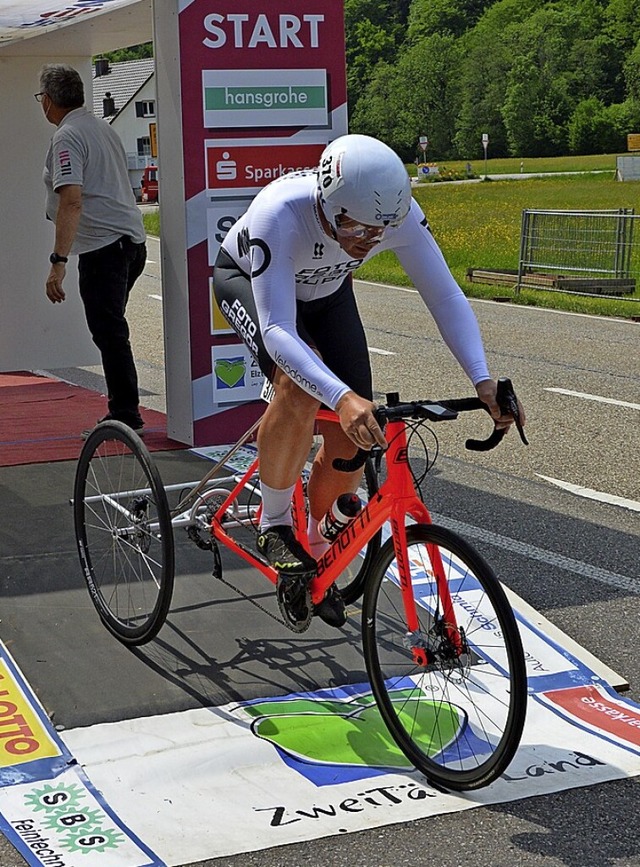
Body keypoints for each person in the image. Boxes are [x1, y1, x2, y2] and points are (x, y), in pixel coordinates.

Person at [213, 134, 525, 628]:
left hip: (329, 292)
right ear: (328, 202)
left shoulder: (394, 214)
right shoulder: (282, 210)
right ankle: (272, 521)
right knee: (300, 388)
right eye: (356, 226)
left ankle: (314, 554)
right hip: (248, 281)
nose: (368, 238)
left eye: (380, 230)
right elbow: (276, 330)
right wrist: (338, 395)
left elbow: (443, 296)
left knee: (352, 430)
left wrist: (482, 379)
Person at [38, 63, 147, 437]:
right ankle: (125, 411)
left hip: (106, 247)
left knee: (109, 332)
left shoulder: (68, 136)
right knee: (112, 329)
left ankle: (125, 415)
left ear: (48, 101)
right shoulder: (101, 126)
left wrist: (58, 261)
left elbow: (71, 200)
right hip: (129, 241)